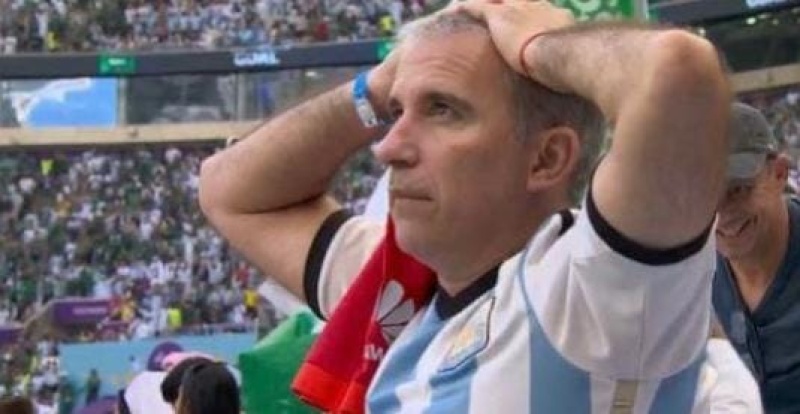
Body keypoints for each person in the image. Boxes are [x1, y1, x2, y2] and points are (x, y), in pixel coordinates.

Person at [200, 1, 731, 412]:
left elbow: (677, 74)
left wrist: (536, 46)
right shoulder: (399, 285)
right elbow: (229, 191)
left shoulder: (595, 295)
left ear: (546, 158)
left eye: (442, 110)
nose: (387, 147)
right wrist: (375, 89)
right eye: (397, 112)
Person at [713, 102, 800, 413]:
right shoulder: (689, 275)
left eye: (738, 189)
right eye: (706, 196)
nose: (722, 214)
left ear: (779, 174)